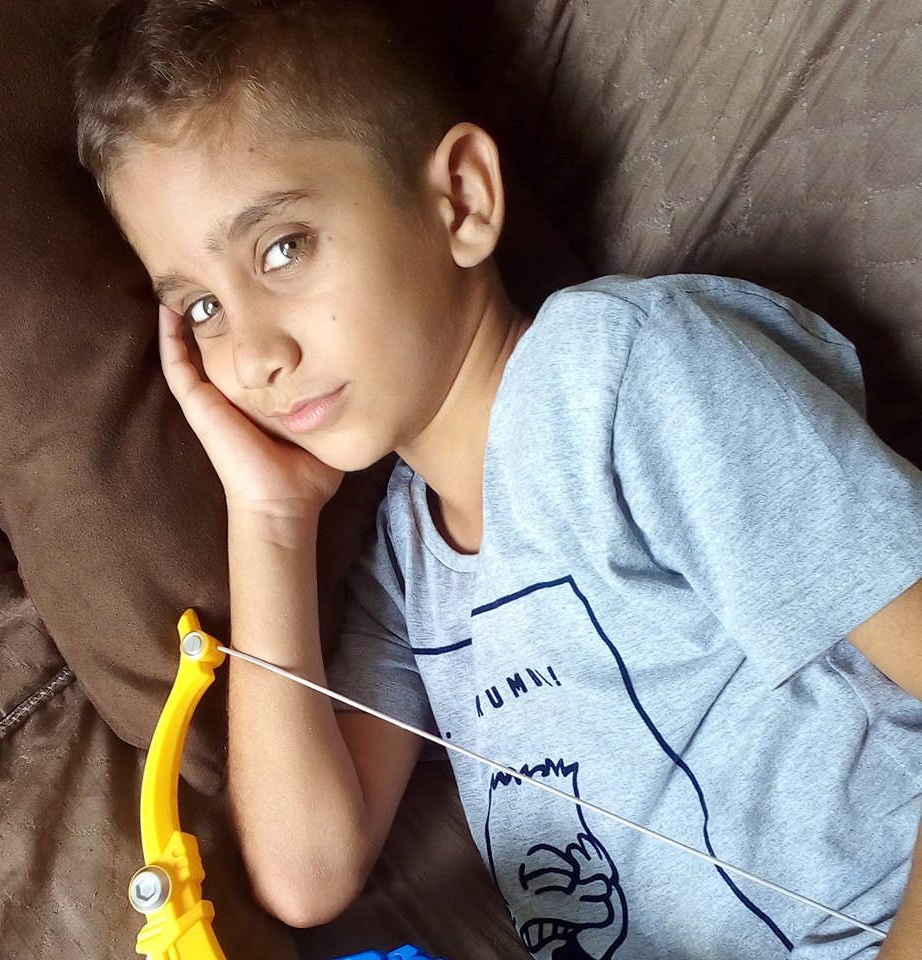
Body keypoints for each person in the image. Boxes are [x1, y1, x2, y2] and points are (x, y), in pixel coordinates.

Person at [74, 1, 922, 956]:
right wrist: (269, 517)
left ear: (462, 201)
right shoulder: (405, 566)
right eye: (200, 309)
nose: (252, 356)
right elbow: (303, 875)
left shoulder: (622, 378)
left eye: (282, 248)